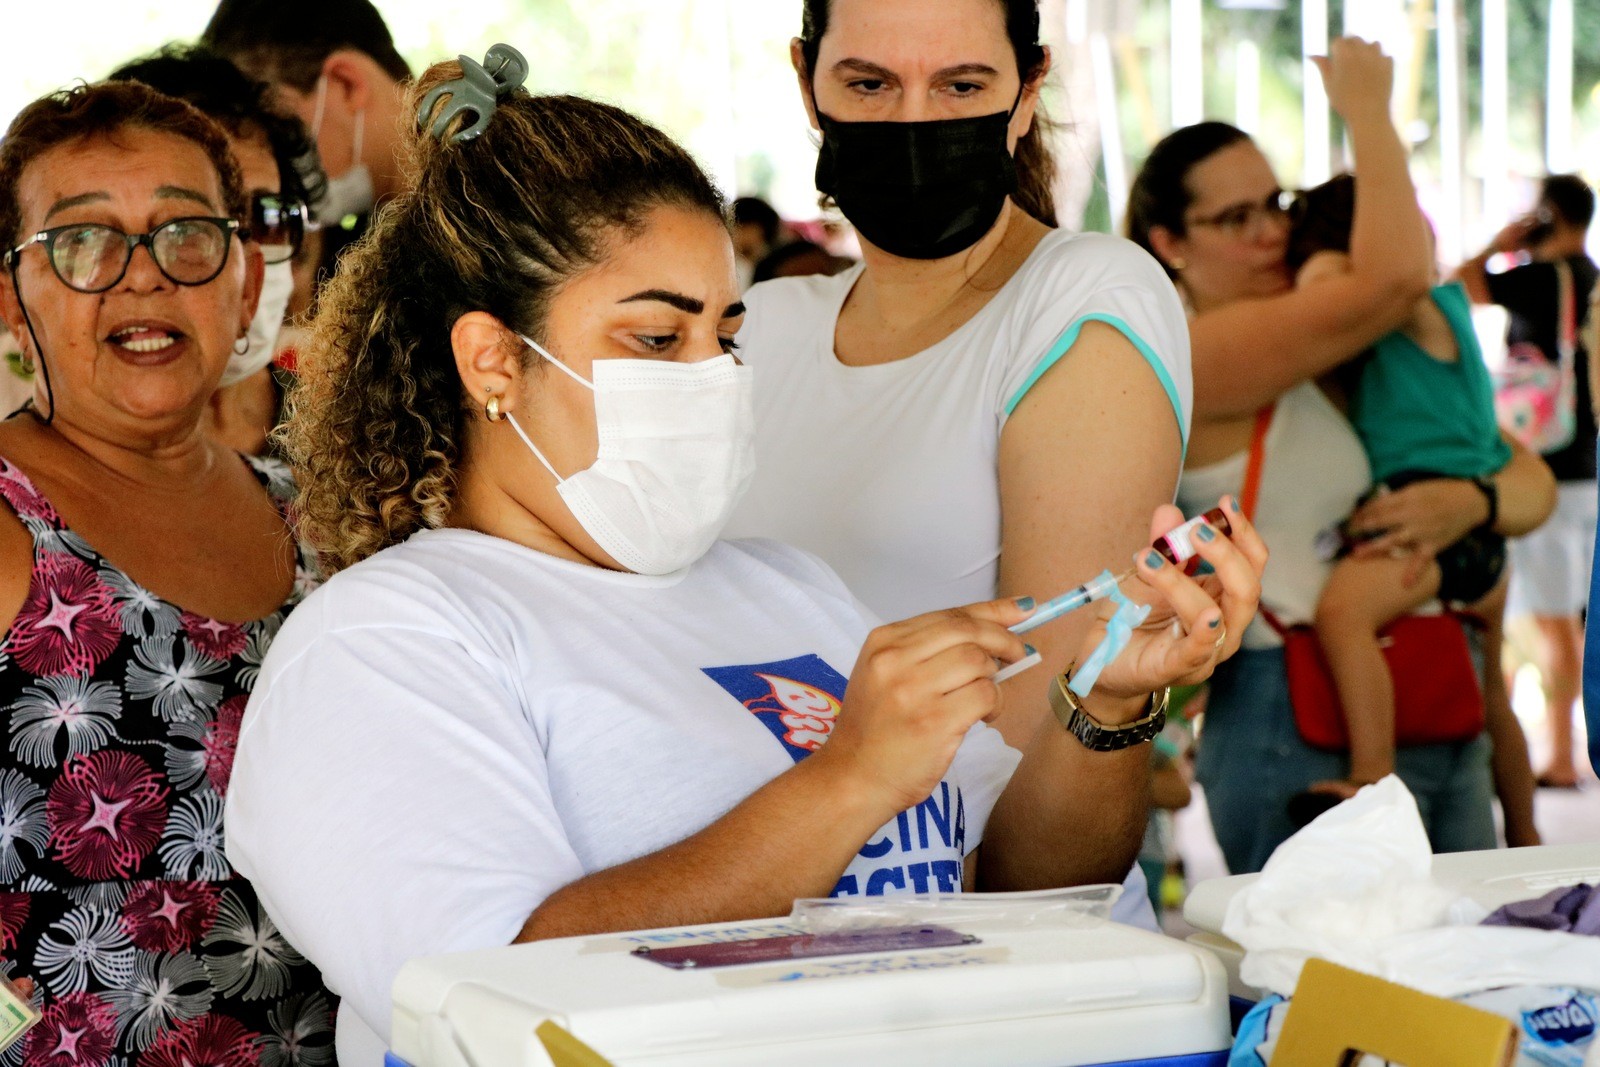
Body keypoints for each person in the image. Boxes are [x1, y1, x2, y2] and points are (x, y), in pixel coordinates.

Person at [222, 57, 1266, 1063]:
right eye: (654, 341)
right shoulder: (385, 643)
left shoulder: (786, 588)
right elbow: (498, 1003)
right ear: (493, 359)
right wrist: (850, 777)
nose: (712, 377)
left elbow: (1020, 894)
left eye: (724, 335)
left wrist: (1109, 702)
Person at [721, 0, 1193, 921]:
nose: (912, 124)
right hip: (776, 928)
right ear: (806, 81)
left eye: (962, 85)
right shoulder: (769, 327)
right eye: (868, 84)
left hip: (978, 958)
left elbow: (1042, 854)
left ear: (1027, 92)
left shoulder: (1083, 302)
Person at [1126, 38, 1557, 873]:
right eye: (1235, 218)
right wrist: (1366, 110)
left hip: (1432, 695)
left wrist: (1473, 502)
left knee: (1466, 982)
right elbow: (1397, 276)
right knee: (1324, 990)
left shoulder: (1337, 353)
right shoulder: (1192, 352)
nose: (1271, 232)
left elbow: (1527, 480)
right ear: (1169, 242)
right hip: (1293, 713)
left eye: (1276, 204)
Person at [0, 80, 333, 1060]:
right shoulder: (14, 526)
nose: (141, 276)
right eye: (81, 240)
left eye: (186, 233)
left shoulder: (317, 512)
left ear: (240, 283)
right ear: (11, 300)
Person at [1288, 174, 1512, 801]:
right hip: (1464, 520)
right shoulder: (1410, 327)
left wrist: (1329, 261)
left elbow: (1331, 285)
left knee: (1342, 614)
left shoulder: (1427, 303)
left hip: (1437, 508)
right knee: (1493, 694)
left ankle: (1372, 775)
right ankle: (1522, 827)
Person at [109, 43, 327, 457]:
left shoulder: (350, 431)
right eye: (191, 225)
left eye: (264, 218)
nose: (242, 260)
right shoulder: (51, 468)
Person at [1454, 174, 1599, 789]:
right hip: (1587, 468)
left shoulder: (1541, 279)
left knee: (1550, 621)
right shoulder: (1591, 277)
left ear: (1548, 213)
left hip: (1547, 473)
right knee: (1564, 615)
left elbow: (1457, 284)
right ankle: (1561, 747)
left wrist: (1500, 242)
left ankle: (1563, 754)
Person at [202, 0, 412, 227]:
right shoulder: (401, 229)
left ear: (346, 85)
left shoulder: (453, 200)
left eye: (282, 135)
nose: (279, 176)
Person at [731, 195, 782, 289]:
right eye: (737, 227)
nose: (741, 233)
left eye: (745, 227)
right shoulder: (726, 266)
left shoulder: (776, 267)